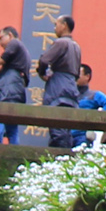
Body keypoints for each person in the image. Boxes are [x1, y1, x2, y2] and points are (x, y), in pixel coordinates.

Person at [37, 15, 82, 147]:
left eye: (56, 24)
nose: (55, 28)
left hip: (59, 86)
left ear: (64, 25)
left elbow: (45, 60)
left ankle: (59, 157)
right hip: (71, 86)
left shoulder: (61, 43)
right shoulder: (76, 46)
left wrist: (42, 72)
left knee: (56, 126)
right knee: (65, 126)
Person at [73, 63, 106, 146]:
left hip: (83, 137)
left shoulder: (94, 95)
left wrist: (95, 122)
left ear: (87, 76)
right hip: (67, 136)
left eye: (78, 73)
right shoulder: (70, 95)